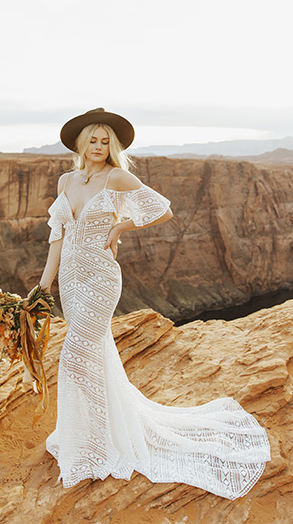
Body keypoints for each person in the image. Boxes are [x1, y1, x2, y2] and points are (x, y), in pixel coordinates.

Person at [34, 107, 270, 498]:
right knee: (93, 353)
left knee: (75, 355)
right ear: (80, 144)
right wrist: (44, 285)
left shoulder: (116, 176)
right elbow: (57, 235)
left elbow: (162, 207)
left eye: (105, 140)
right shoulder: (66, 180)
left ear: (113, 146)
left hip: (100, 276)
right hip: (70, 281)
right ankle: (94, 432)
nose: (98, 146)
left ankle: (93, 446)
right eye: (92, 140)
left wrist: (120, 225)